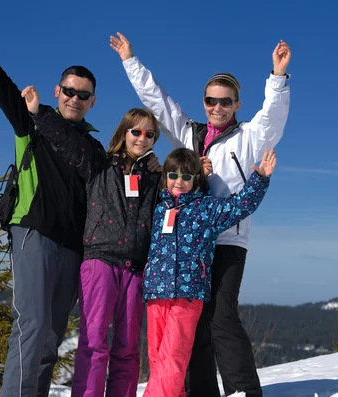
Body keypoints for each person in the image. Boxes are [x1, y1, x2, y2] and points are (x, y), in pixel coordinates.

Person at [0, 1, 104, 396]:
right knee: (31, 328)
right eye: (69, 91)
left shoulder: (93, 150)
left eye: (84, 94)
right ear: (58, 91)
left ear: (93, 100)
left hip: (73, 248)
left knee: (51, 337)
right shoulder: (33, 119)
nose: (75, 98)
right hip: (34, 235)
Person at [110, 32, 291, 397]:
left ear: (237, 104)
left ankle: (243, 390)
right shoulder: (191, 134)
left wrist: (277, 78)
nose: (217, 107)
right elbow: (158, 103)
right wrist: (130, 60)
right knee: (196, 326)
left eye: (225, 101)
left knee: (222, 318)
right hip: (191, 246)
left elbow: (272, 118)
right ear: (204, 102)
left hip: (227, 237)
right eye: (211, 100)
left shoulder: (248, 136)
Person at [22, 86, 162, 397]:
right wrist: (39, 112)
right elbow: (66, 141)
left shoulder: (156, 178)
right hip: (100, 261)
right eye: (136, 132)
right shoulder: (99, 163)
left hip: (136, 269)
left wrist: (198, 171)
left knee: (127, 348)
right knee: (94, 343)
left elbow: (184, 184)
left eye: (149, 135)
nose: (142, 138)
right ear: (124, 133)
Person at [143, 148, 276, 397]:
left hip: (188, 294)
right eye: (173, 175)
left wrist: (260, 179)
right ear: (164, 177)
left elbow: (240, 206)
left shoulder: (206, 209)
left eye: (186, 177)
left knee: (174, 356)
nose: (179, 182)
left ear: (195, 179)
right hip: (156, 292)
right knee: (157, 355)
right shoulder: (157, 206)